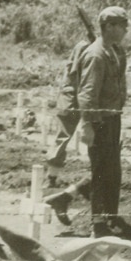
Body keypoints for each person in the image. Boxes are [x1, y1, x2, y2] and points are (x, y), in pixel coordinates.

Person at [44, 7, 128, 237]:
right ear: (109, 27)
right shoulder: (96, 55)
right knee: (102, 172)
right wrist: (87, 124)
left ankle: (73, 202)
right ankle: (99, 225)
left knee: (111, 171)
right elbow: (87, 94)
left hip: (112, 118)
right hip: (99, 121)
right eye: (121, 25)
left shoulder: (113, 51)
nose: (125, 30)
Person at [46, 36, 91, 169]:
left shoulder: (90, 46)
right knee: (62, 137)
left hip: (78, 95)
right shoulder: (84, 46)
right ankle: (51, 178)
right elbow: (75, 72)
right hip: (71, 96)